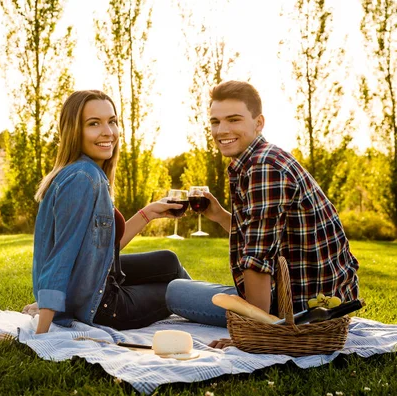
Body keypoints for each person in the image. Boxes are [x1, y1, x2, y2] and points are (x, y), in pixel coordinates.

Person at [165, 81, 360, 348]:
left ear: (259, 123)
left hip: (300, 309)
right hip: (323, 295)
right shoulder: (260, 159)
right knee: (182, 287)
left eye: (234, 120)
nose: (222, 130)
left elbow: (258, 259)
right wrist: (221, 215)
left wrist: (253, 334)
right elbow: (265, 234)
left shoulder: (263, 168)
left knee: (175, 292)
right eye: (215, 122)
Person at [24, 90, 191, 334]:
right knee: (178, 290)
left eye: (112, 121)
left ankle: (218, 299)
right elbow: (60, 256)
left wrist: (150, 212)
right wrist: (42, 330)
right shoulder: (84, 178)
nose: (108, 132)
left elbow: (100, 250)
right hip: (104, 305)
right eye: (94, 124)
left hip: (94, 280)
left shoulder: (81, 172)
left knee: (169, 260)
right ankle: (235, 311)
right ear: (74, 131)